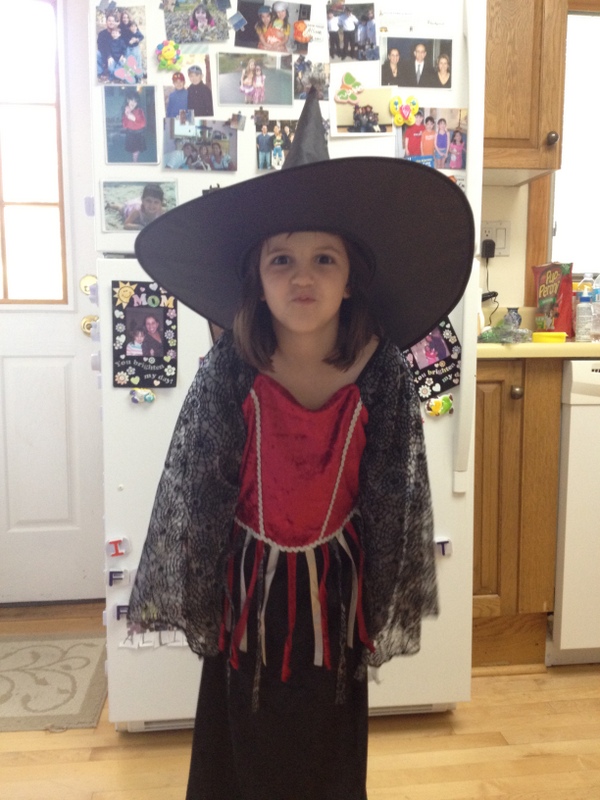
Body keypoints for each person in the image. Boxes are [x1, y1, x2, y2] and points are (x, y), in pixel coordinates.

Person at [128, 87, 474, 800]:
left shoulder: (380, 371)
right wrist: (203, 595)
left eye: (324, 258)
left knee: (325, 746)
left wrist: (379, 600)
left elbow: (395, 498)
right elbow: (197, 494)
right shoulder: (231, 369)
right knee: (242, 743)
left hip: (332, 602)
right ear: (256, 280)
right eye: (281, 259)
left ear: (352, 281)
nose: (303, 276)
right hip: (248, 600)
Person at [122, 92, 146, 162]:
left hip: (138, 133)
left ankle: (135, 162)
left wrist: (134, 119)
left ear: (137, 103)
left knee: (136, 151)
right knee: (133, 150)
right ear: (127, 100)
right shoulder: (126, 110)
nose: (133, 103)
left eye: (135, 101)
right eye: (131, 100)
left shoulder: (139, 111)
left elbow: (143, 123)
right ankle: (135, 160)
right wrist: (126, 114)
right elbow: (125, 125)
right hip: (130, 133)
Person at [97, 13, 119, 80]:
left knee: (112, 70)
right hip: (105, 55)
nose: (111, 22)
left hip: (114, 57)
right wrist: (107, 57)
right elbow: (100, 47)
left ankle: (111, 71)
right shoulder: (102, 34)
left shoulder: (117, 33)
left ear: (115, 22)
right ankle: (101, 72)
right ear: (106, 22)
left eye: (113, 21)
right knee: (96, 53)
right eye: (109, 20)